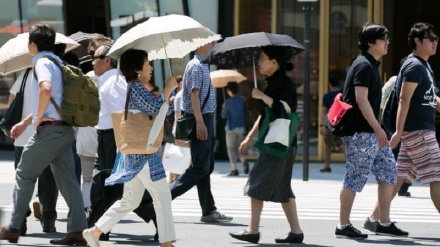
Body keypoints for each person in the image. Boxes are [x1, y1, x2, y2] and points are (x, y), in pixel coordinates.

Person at [0, 24, 87, 245]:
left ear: (33, 44)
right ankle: (78, 230)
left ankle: (14, 227)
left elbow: (45, 90)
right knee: (69, 183)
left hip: (49, 132)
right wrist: (25, 121)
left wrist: (37, 119)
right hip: (64, 129)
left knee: (24, 174)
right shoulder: (58, 63)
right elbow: (52, 101)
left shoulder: (42, 63)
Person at [82, 48, 177, 247]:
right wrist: (168, 90)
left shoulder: (135, 87)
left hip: (136, 152)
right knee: (162, 196)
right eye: (147, 64)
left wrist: (165, 92)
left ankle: (95, 231)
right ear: (137, 70)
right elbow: (154, 108)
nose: (150, 68)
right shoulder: (135, 87)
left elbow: (154, 107)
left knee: (130, 201)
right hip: (144, 153)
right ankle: (167, 242)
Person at [364, 22, 440, 234]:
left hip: (418, 131)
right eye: (431, 39)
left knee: (397, 178)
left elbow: (429, 97)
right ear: (417, 41)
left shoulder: (424, 66)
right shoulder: (414, 66)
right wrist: (398, 131)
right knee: (437, 175)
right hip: (418, 132)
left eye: (436, 39)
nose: (436, 43)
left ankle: (374, 219)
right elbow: (404, 99)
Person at [334, 22, 408, 239]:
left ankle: (382, 222)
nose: (387, 42)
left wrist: (377, 130)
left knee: (389, 172)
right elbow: (361, 99)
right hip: (360, 132)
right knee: (354, 178)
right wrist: (378, 129)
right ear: (370, 42)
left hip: (371, 133)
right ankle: (343, 224)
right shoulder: (363, 65)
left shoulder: (370, 65)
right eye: (383, 38)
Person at [229, 46, 303, 244]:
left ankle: (252, 230)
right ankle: (296, 232)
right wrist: (248, 138)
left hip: (278, 143)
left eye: (262, 59)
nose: (259, 63)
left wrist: (263, 97)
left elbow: (288, 109)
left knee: (256, 182)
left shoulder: (283, 83)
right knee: (283, 188)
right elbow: (264, 116)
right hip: (279, 142)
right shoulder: (270, 83)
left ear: (274, 62)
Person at [169, 42, 233, 223]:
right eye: (210, 42)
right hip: (200, 119)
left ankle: (208, 210)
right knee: (200, 168)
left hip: (206, 119)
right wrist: (199, 121)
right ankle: (165, 196)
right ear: (200, 45)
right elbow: (193, 95)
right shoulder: (196, 66)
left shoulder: (204, 65)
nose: (213, 45)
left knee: (206, 167)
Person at [380, 56, 412, 197]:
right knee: (401, 152)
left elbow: (381, 99)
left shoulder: (396, 80)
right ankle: (399, 186)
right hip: (396, 122)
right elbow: (382, 98)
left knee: (400, 152)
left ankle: (398, 185)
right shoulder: (396, 80)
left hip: (395, 121)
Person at [221, 81, 249, 176]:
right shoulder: (242, 100)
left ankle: (234, 169)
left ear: (229, 91)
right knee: (239, 148)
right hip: (241, 127)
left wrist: (224, 107)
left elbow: (223, 116)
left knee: (231, 149)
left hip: (231, 128)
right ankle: (244, 161)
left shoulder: (228, 102)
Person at [319, 74, 345, 173]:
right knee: (343, 144)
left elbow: (323, 111)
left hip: (330, 123)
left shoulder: (327, 97)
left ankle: (327, 166)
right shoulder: (344, 94)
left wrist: (321, 125)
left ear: (329, 84)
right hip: (342, 122)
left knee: (328, 145)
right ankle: (350, 166)